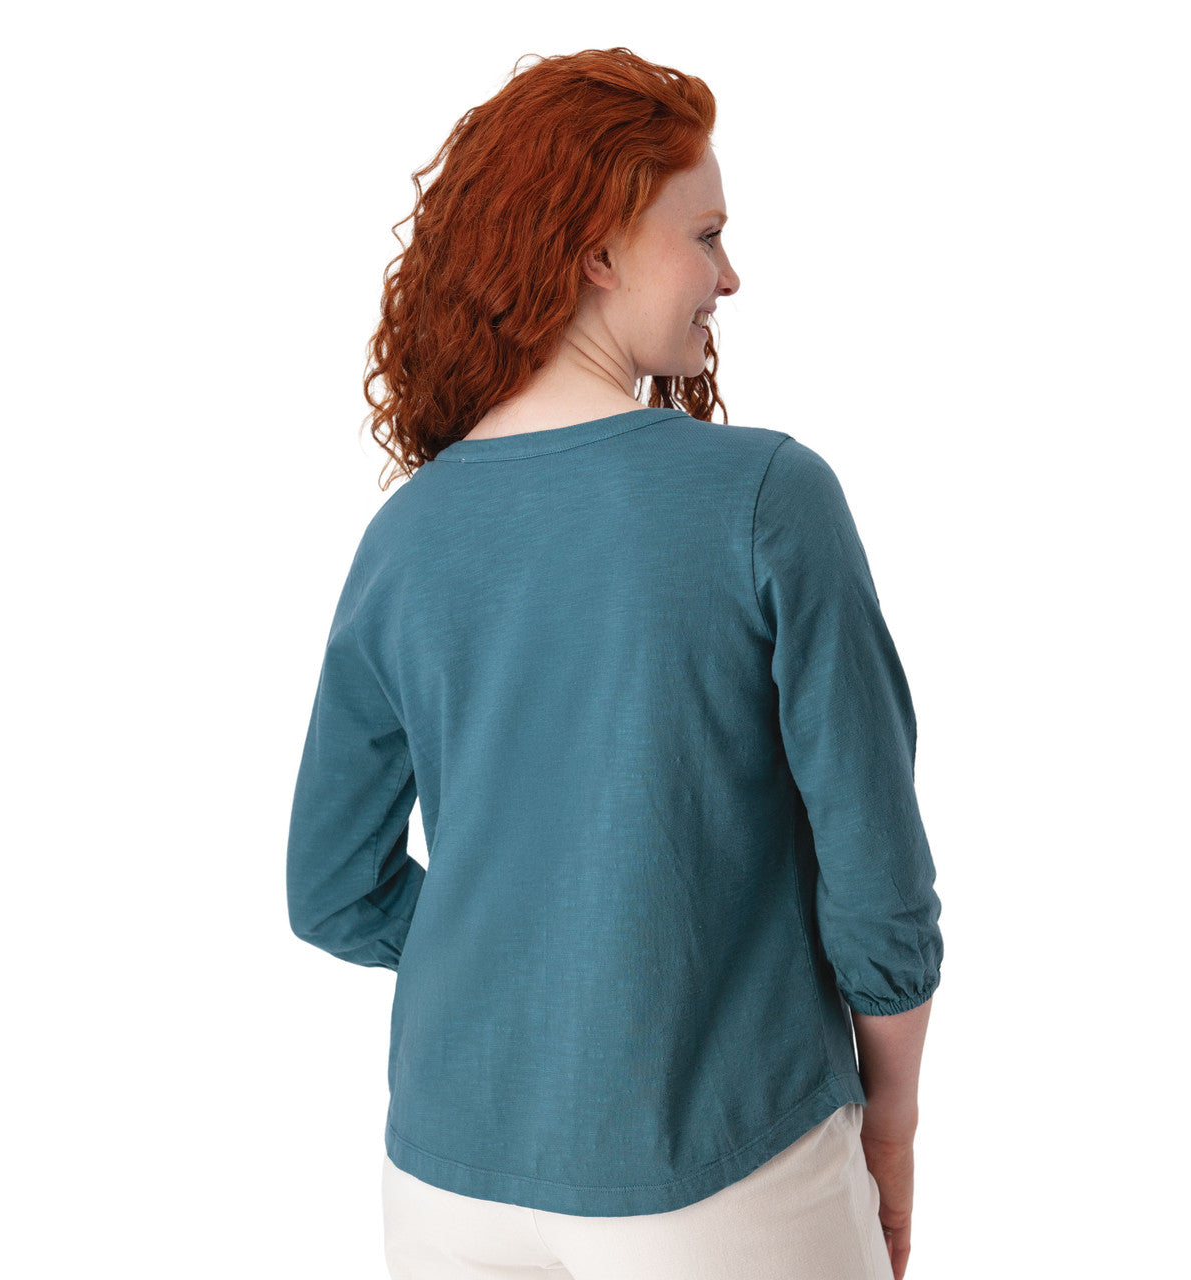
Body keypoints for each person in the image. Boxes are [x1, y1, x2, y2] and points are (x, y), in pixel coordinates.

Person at [285, 46, 944, 1280]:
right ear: (596, 250)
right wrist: (892, 1121)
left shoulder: (406, 534)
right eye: (705, 235)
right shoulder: (766, 497)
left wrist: (524, 966)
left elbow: (329, 885)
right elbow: (878, 886)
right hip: (724, 1168)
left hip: (444, 1187)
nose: (728, 275)